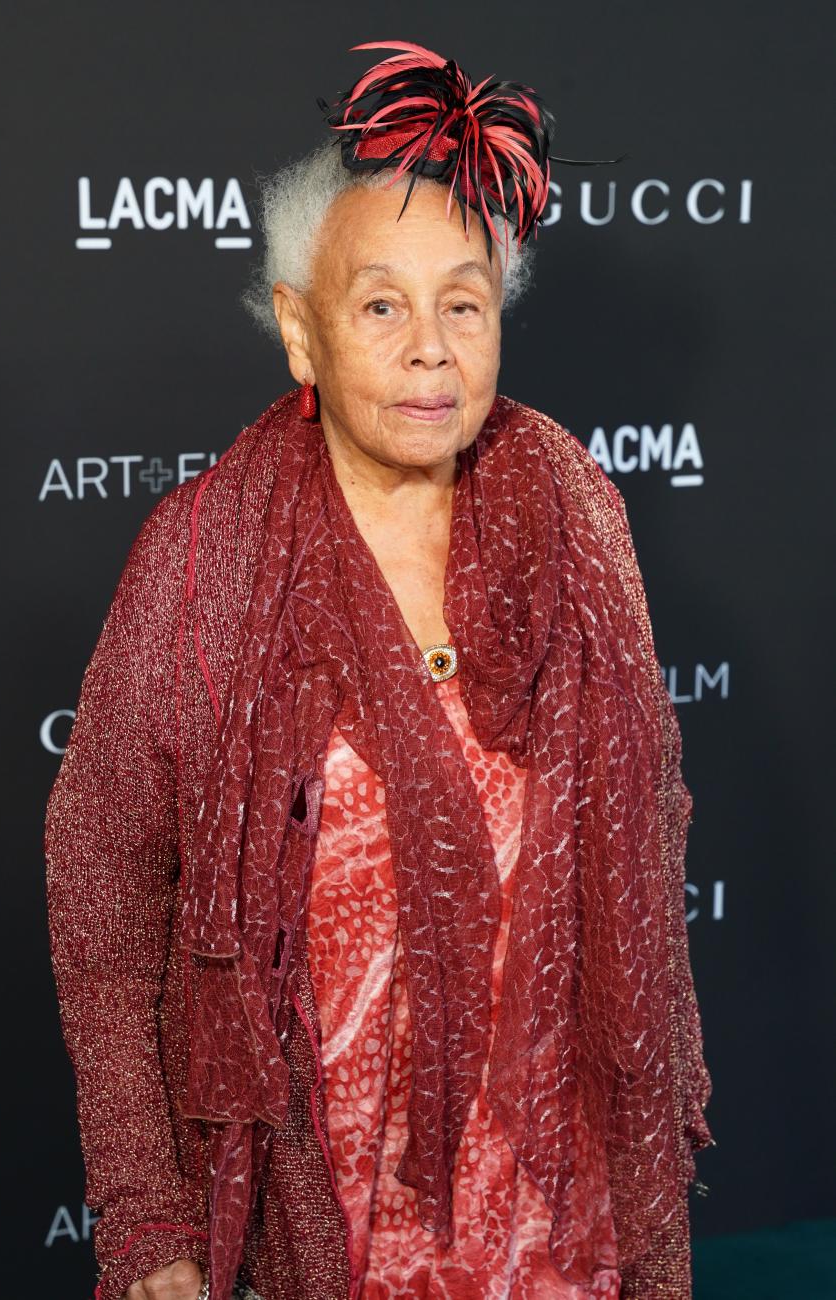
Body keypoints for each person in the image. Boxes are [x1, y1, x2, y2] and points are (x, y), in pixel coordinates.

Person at [44, 39, 714, 1300]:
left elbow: (644, 846)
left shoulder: (577, 509)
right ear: (300, 332)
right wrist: (145, 1215)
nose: (429, 348)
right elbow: (103, 876)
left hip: (555, 1203)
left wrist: (649, 1226)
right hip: (318, 1198)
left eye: (463, 302)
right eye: (381, 304)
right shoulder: (203, 556)